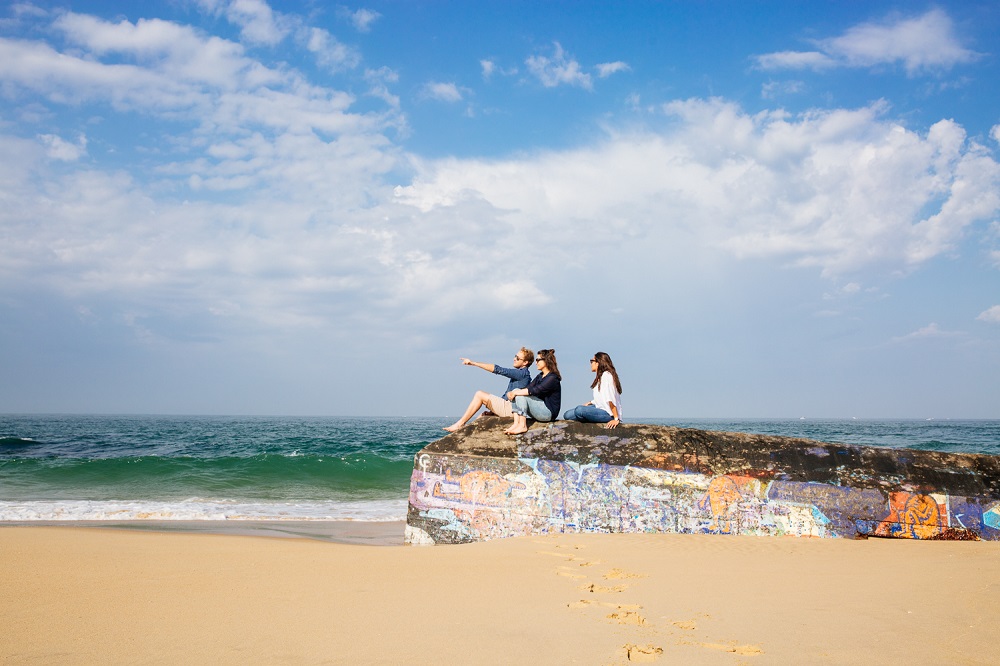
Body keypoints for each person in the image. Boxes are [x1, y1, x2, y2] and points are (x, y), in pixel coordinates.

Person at [443, 348, 534, 432]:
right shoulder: (522, 374)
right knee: (483, 416)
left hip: (511, 409)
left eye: (518, 358)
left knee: (480, 394)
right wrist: (493, 411)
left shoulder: (522, 373)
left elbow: (498, 370)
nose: (514, 359)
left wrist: (473, 363)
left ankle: (460, 424)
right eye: (515, 356)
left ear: (525, 362)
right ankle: (465, 431)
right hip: (509, 407)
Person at [505, 348, 561, 435]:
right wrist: (513, 392)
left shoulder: (552, 378)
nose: (536, 362)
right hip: (539, 409)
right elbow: (528, 387)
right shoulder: (540, 376)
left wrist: (516, 393)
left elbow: (535, 390)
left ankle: (523, 426)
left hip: (548, 413)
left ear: (546, 361)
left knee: (519, 394)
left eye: (538, 360)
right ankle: (516, 423)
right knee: (517, 391)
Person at [563, 352, 623, 429]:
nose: (591, 364)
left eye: (592, 361)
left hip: (608, 413)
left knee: (579, 410)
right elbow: (602, 398)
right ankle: (589, 417)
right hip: (599, 407)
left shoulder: (606, 376)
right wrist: (591, 402)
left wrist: (616, 418)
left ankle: (590, 418)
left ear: (598, 363)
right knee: (567, 415)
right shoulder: (600, 377)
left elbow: (610, 399)